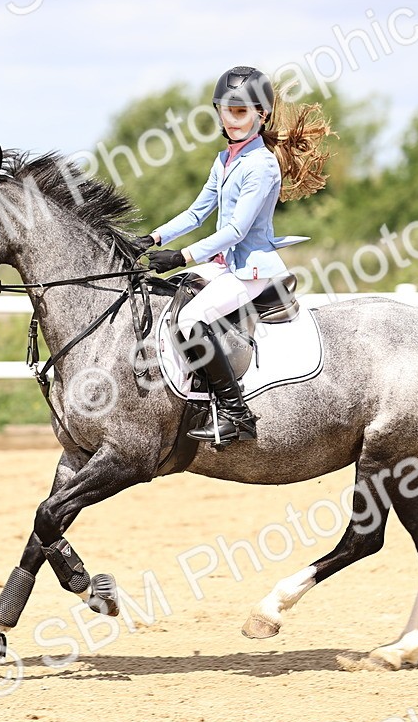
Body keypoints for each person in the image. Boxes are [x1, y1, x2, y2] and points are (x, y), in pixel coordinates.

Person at [138, 65, 333, 445]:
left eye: (240, 112)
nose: (230, 120)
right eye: (224, 110)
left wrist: (182, 257)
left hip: (252, 270)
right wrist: (152, 238)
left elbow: (236, 230)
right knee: (172, 298)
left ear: (262, 114)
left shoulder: (261, 165)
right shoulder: (225, 159)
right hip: (225, 266)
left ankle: (235, 413)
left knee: (192, 317)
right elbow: (197, 213)